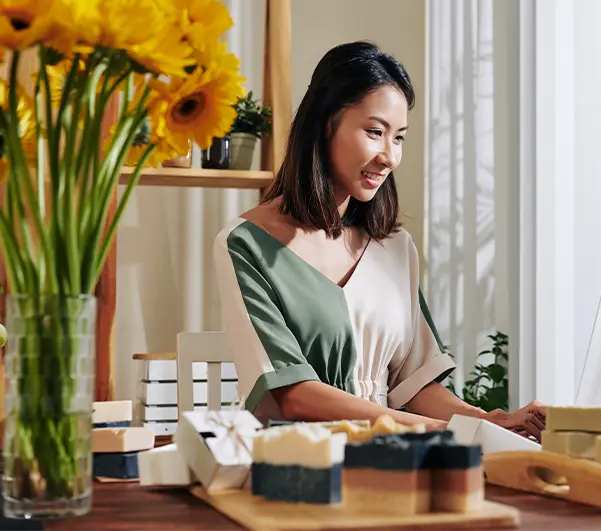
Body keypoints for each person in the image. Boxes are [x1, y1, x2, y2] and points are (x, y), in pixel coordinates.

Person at [214, 41, 545, 438]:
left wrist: (487, 421)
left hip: (389, 459)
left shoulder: (394, 247)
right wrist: (441, 429)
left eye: (399, 137)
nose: (389, 156)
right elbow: (292, 395)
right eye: (375, 132)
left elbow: (415, 383)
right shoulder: (247, 244)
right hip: (296, 465)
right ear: (325, 124)